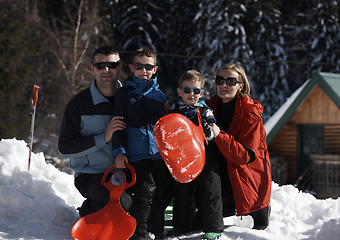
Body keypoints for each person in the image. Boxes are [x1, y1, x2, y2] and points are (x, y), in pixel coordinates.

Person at [196, 62, 272, 239]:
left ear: (241, 86)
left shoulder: (249, 114)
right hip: (216, 177)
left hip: (244, 179)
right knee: (194, 221)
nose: (224, 85)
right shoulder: (207, 107)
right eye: (220, 80)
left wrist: (218, 134)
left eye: (230, 81)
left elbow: (245, 156)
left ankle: (259, 209)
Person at [58, 45, 132, 218]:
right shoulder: (78, 104)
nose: (106, 70)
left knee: (144, 201)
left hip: (127, 172)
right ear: (92, 69)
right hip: (92, 175)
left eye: (112, 65)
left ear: (120, 67)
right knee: (121, 203)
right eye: (100, 66)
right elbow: (65, 148)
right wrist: (104, 137)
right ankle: (88, 212)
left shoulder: (132, 99)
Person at [148, 70, 216, 239]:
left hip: (202, 157)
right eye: (187, 90)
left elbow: (211, 133)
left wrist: (204, 130)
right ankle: (181, 225)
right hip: (181, 160)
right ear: (180, 92)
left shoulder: (205, 111)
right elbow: (167, 130)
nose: (191, 94)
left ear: (201, 92)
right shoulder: (174, 110)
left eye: (195, 91)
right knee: (181, 192)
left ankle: (212, 226)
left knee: (208, 190)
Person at [111, 47, 167, 240]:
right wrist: (119, 151)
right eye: (139, 66)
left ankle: (156, 228)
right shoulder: (124, 94)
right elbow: (118, 125)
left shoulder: (159, 96)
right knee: (145, 190)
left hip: (158, 154)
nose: (144, 70)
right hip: (136, 154)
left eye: (148, 67)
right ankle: (139, 231)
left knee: (161, 190)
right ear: (131, 68)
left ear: (155, 69)